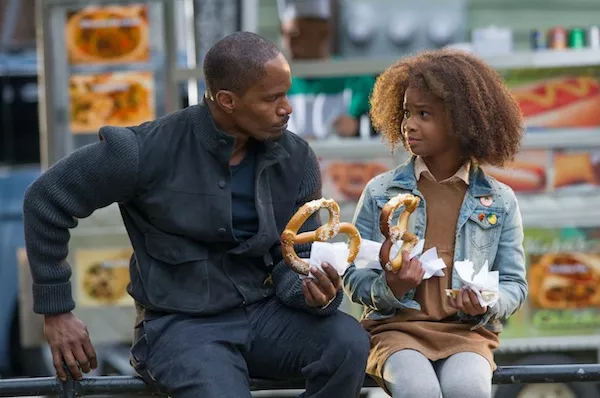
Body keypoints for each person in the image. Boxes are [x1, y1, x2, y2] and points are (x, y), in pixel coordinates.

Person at [22, 31, 370, 397]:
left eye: (286, 93)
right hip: (179, 327)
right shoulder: (143, 150)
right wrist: (57, 311)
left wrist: (312, 292)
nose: (288, 107)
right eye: (272, 98)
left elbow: (293, 261)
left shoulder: (297, 159)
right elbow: (45, 200)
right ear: (227, 100)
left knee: (346, 342)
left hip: (264, 316)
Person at [342, 49, 528, 398]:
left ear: (463, 121)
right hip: (394, 330)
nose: (408, 124)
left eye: (424, 114)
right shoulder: (381, 192)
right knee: (418, 391)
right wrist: (392, 287)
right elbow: (354, 277)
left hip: (467, 333)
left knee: (469, 390)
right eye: (407, 112)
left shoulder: (500, 200)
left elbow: (515, 284)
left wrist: (486, 302)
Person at [277, 0, 375, 139]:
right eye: (284, 35)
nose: (289, 44)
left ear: (324, 32)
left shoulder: (355, 78)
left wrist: (356, 126)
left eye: (297, 35)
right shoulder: (277, 82)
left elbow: (379, 129)